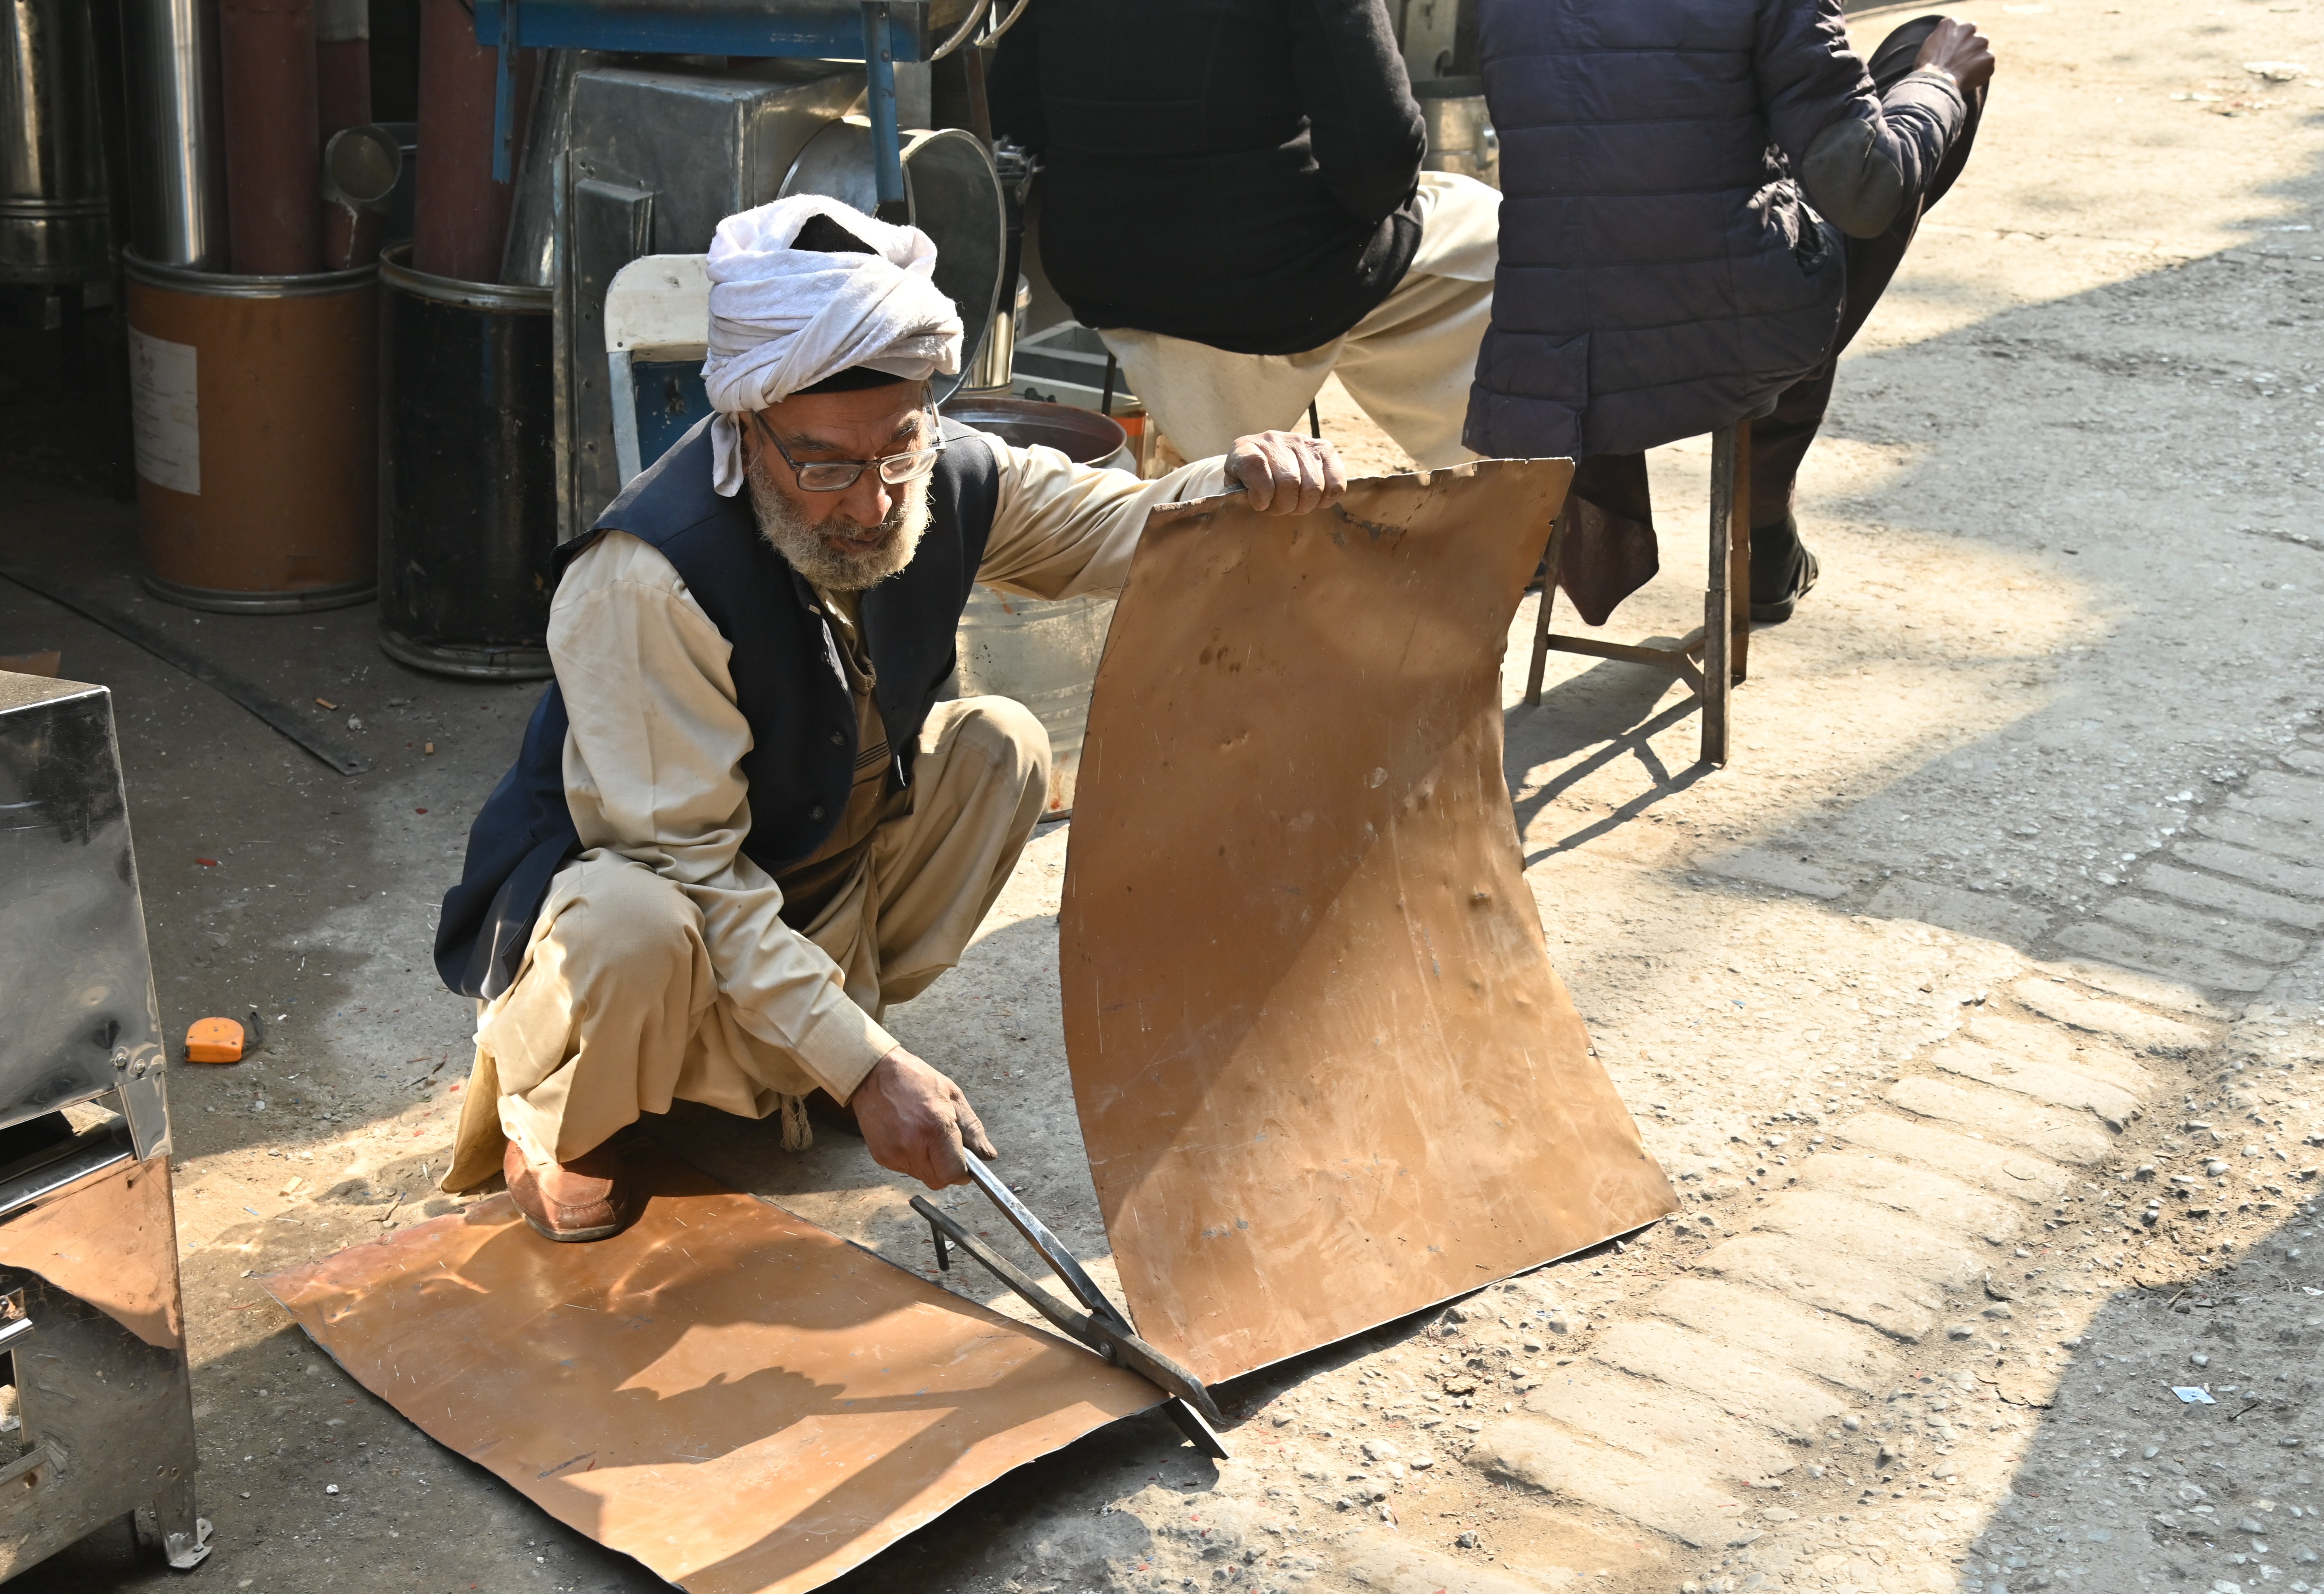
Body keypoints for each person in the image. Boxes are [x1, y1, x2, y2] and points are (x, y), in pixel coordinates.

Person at [431, 194, 1347, 1243]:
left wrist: (1234, 485)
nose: (870, 504)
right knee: (630, 926)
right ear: (745, 426)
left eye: (898, 451)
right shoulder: (645, 577)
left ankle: (797, 1054)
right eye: (824, 466)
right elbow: (697, 878)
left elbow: (1114, 528)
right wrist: (870, 1070)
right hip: (665, 918)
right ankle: (556, 1127)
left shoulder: (939, 474)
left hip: (810, 879)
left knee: (1001, 748)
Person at [1467, 6, 1994, 624]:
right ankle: (1765, 519)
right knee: (1925, 53)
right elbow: (1864, 190)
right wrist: (1938, 83)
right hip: (1729, 338)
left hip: (1550, 357)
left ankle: (1762, 529)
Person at [988, 0, 1498, 470]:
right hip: (1259, 287)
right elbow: (1381, 159)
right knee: (1498, 235)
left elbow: (1014, 115)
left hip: (1095, 271)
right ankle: (1497, 480)